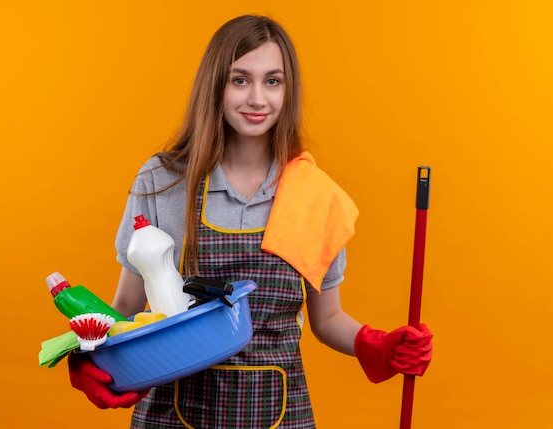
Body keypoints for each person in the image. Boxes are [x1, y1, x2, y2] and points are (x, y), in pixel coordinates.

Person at [67, 14, 433, 428]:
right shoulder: (164, 180)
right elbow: (127, 308)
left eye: (272, 81)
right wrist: (90, 354)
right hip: (173, 414)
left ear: (287, 90)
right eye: (240, 80)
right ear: (216, 87)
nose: (257, 98)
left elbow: (327, 319)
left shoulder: (313, 195)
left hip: (280, 416)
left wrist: (378, 345)